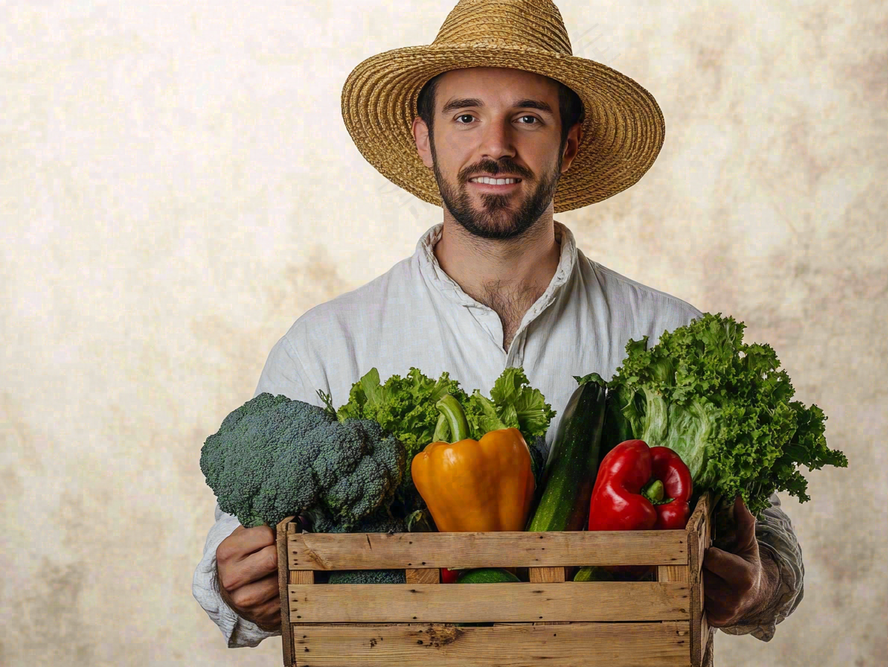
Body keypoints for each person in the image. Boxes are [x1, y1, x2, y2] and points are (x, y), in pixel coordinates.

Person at [192, 0, 805, 660]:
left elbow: (777, 562)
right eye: (466, 115)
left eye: (529, 118)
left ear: (568, 143)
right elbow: (225, 574)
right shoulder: (326, 345)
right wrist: (238, 587)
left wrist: (757, 585)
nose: (496, 145)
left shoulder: (668, 334)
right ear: (424, 137)